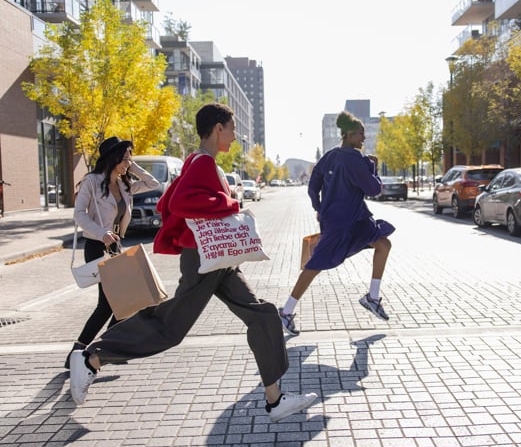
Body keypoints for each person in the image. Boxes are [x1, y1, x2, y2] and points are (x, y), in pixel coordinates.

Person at [69, 103, 318, 422]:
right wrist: (232, 204)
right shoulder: (202, 163)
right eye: (231, 130)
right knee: (169, 327)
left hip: (216, 257)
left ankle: (275, 400)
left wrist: (225, 206)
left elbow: (166, 198)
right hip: (204, 257)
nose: (234, 137)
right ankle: (91, 357)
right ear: (217, 129)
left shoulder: (200, 161)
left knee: (263, 315)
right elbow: (179, 201)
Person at [279, 111, 395, 336]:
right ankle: (286, 311)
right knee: (315, 266)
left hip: (350, 220)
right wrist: (374, 168)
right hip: (345, 224)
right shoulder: (356, 160)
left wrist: (319, 208)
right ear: (350, 134)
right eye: (361, 134)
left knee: (383, 244)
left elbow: (313, 185)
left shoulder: (330, 156)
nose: (364, 139)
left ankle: (372, 297)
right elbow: (374, 189)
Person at [65, 137, 160, 369]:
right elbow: (79, 214)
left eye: (129, 157)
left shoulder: (125, 184)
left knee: (130, 299)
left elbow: (153, 183)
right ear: (112, 158)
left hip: (116, 246)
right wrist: (102, 234)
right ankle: (82, 351)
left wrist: (132, 164)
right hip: (98, 245)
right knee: (108, 304)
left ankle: (105, 349)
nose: (128, 162)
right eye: (125, 157)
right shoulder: (92, 182)